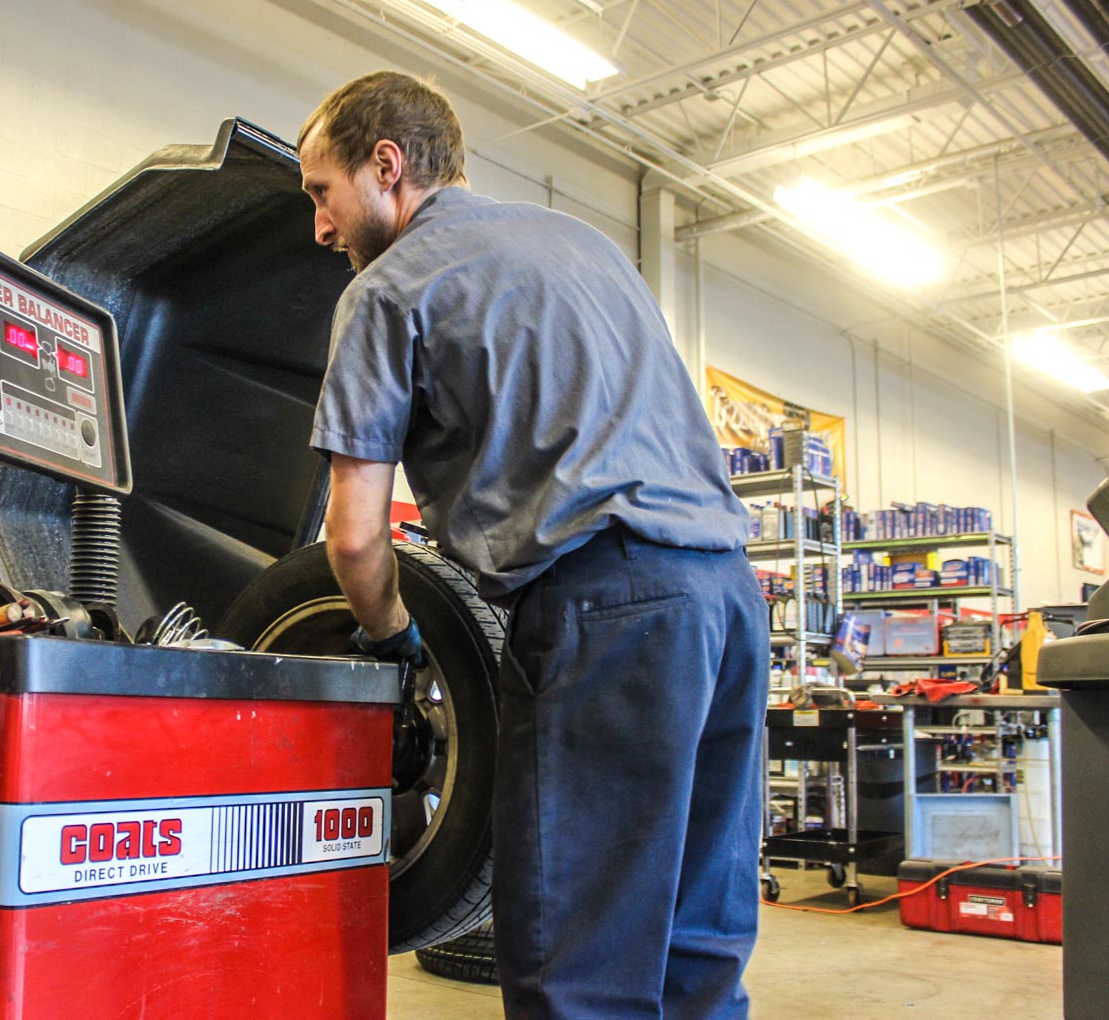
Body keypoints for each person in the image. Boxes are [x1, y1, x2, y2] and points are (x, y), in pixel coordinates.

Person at [299, 69, 768, 1019]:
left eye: (322, 191)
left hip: (607, 613)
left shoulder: (387, 291)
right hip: (728, 602)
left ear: (386, 167)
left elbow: (352, 540)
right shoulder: (583, 246)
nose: (319, 225)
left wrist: (396, 644)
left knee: (579, 969)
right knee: (698, 947)